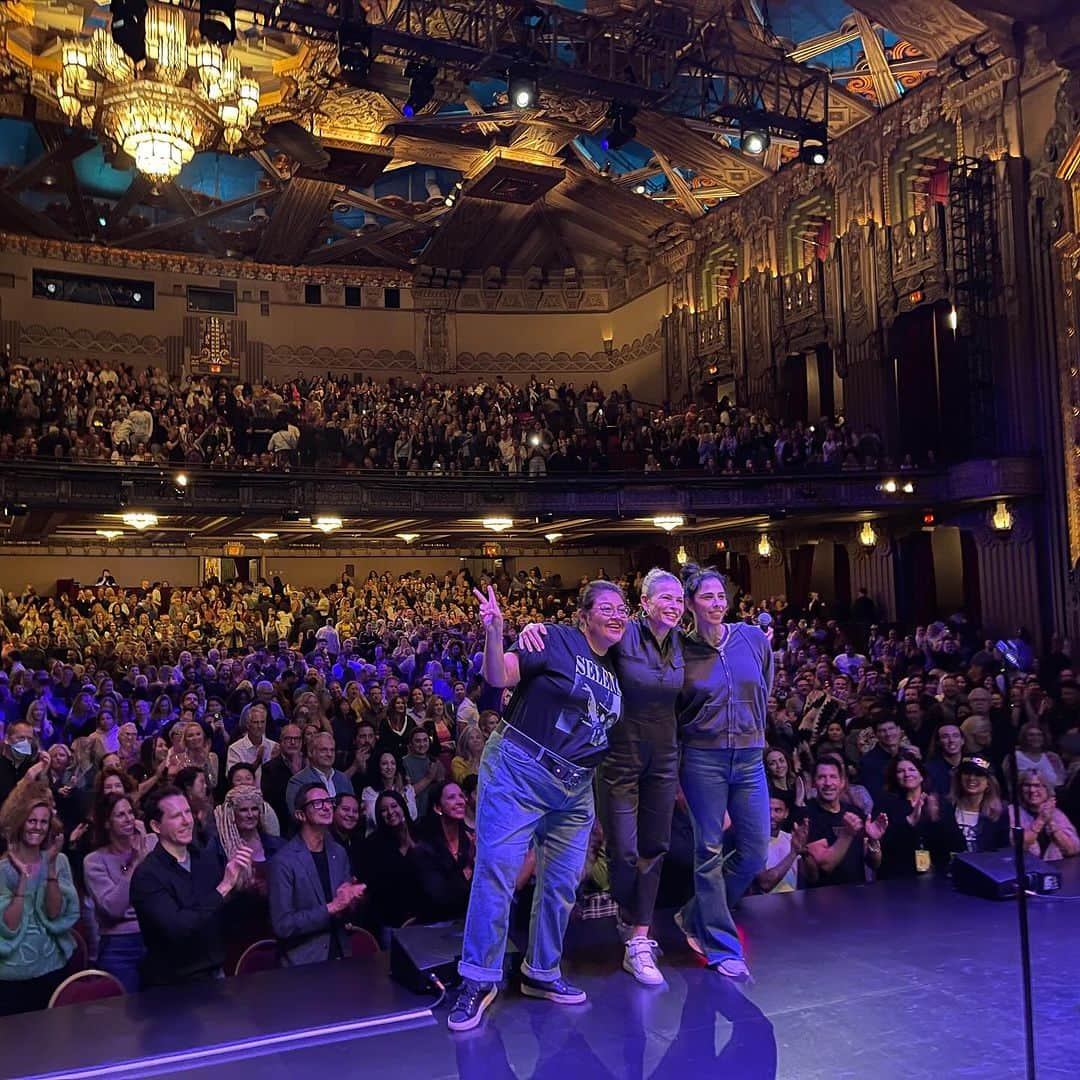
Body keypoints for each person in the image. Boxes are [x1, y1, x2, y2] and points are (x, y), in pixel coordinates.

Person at [448, 581, 625, 1032]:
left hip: (576, 787)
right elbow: (498, 675)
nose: (616, 614)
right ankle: (478, 978)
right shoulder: (552, 637)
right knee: (498, 872)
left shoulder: (623, 665)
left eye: (622, 609)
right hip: (520, 769)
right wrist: (496, 631)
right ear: (583, 616)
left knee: (562, 884)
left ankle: (541, 971)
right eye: (605, 607)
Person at [518, 567, 685, 986]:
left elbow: (719, 639)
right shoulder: (622, 633)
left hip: (665, 757)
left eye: (680, 599)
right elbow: (579, 637)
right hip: (619, 756)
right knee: (624, 851)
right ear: (643, 604)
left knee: (656, 846)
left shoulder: (688, 642)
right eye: (664, 597)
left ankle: (638, 938)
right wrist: (535, 629)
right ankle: (631, 920)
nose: (674, 606)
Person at [673, 565, 772, 981]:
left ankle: (694, 914)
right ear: (691, 604)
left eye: (720, 597)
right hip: (702, 758)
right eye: (706, 597)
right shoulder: (679, 648)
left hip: (749, 758)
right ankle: (720, 944)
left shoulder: (751, 638)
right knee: (708, 850)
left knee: (754, 850)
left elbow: (766, 686)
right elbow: (673, 709)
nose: (715, 604)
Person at [130, 784, 253, 987]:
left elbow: (221, 915)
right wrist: (224, 887)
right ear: (156, 826)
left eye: (188, 812)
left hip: (215, 974)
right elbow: (178, 927)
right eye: (177, 815)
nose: (187, 821)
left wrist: (240, 886)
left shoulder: (204, 859)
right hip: (173, 985)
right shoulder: (147, 875)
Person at [0, 782, 79, 1015]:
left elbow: (55, 914)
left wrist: (51, 866)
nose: (38, 827)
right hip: (11, 978)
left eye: (43, 822)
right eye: (32, 821)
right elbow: (9, 927)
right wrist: (23, 878)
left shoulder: (59, 860)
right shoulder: (3, 870)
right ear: (21, 823)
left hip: (52, 968)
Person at [268, 782, 365, 966]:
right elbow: (283, 925)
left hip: (341, 953)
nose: (327, 806)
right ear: (300, 814)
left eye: (329, 801)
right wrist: (333, 906)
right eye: (318, 803)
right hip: (304, 962)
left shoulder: (338, 852)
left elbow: (344, 908)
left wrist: (353, 900)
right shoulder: (284, 861)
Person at [82, 792, 156, 993]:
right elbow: (113, 909)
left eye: (130, 812)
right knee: (126, 1013)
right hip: (118, 946)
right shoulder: (94, 861)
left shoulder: (152, 844)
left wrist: (145, 855)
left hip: (155, 936)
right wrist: (134, 863)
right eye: (120, 815)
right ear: (107, 823)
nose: (129, 818)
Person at [805, 757, 887, 887]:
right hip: (823, 899)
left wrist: (873, 841)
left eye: (833, 777)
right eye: (822, 777)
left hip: (857, 894)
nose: (828, 783)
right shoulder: (807, 815)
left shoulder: (854, 812)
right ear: (813, 783)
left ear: (842, 782)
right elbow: (826, 865)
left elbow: (874, 863)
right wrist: (848, 834)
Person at [408, 780, 474, 923]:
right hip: (435, 926)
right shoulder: (424, 848)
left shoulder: (469, 840)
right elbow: (440, 898)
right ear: (438, 807)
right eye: (451, 798)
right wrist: (469, 866)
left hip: (468, 921)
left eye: (461, 796)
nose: (460, 801)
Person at [359, 790, 418, 943]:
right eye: (383, 810)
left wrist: (411, 844)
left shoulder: (419, 832)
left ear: (402, 807)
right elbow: (382, 882)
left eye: (394, 806)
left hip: (423, 918)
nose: (390, 812)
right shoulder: (373, 843)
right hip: (391, 922)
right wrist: (404, 848)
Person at [873, 754, 943, 879]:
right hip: (896, 876)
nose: (906, 774)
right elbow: (884, 843)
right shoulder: (885, 804)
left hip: (934, 877)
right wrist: (909, 821)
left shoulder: (937, 802)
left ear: (921, 775)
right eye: (900, 771)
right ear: (895, 777)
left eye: (911, 769)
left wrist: (936, 819)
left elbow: (955, 843)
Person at [939, 756, 1009, 854]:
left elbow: (1003, 850)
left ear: (988, 782)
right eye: (967, 773)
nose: (971, 778)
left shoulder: (1000, 813)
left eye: (979, 774)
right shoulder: (945, 808)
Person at [1010, 771, 1080, 861]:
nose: (1032, 790)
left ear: (1047, 790)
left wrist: (1051, 822)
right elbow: (1018, 846)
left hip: (1056, 868)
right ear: (1020, 790)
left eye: (1037, 785)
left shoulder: (1056, 813)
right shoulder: (1012, 811)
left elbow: (1072, 850)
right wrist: (1041, 820)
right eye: (1027, 785)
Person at [285, 732, 351, 816]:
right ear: (310, 753)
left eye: (332, 750)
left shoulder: (344, 779)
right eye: (324, 750)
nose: (329, 754)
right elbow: (296, 816)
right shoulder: (298, 781)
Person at [755, 796, 810, 894]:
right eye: (767, 810)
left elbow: (811, 877)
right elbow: (765, 884)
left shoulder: (791, 839)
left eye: (778, 810)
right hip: (765, 905)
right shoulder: (753, 843)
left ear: (786, 813)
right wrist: (793, 853)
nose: (772, 815)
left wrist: (805, 852)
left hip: (793, 902)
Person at [359, 750, 417, 833]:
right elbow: (373, 819)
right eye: (384, 764)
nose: (389, 767)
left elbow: (413, 815)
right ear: (378, 766)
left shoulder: (407, 789)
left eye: (393, 763)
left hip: (403, 835)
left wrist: (400, 794)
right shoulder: (369, 792)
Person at [225, 704, 279, 785]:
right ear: (248, 724)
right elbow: (232, 777)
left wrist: (276, 762)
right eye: (255, 722)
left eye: (262, 722)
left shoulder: (274, 746)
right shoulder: (235, 749)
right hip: (245, 795)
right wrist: (257, 761)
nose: (260, 726)